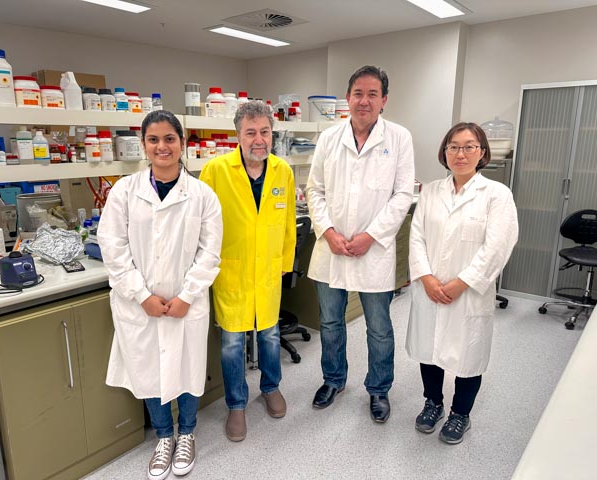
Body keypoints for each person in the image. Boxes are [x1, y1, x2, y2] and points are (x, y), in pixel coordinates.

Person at [97, 110, 222, 479]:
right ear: (144, 145)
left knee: (186, 367)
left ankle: (186, 433)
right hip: (140, 304)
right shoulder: (124, 191)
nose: (162, 146)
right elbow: (112, 247)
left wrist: (187, 295)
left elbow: (210, 251)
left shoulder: (202, 195)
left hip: (187, 303)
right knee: (149, 369)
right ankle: (163, 436)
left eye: (170, 138)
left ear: (182, 144)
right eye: (154, 140)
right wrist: (141, 295)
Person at [306, 65, 415, 421]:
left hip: (374, 250)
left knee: (379, 327)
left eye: (372, 94)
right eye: (357, 94)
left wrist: (371, 236)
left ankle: (379, 388)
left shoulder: (399, 138)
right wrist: (328, 232)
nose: (364, 101)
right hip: (332, 248)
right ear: (348, 98)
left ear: (384, 100)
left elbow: (402, 196)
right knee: (330, 321)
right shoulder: (329, 138)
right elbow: (315, 190)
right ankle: (333, 379)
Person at [406, 122, 518, 444]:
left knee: (469, 356)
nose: (461, 153)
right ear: (445, 152)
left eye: (469, 146)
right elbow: (417, 237)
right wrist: (426, 277)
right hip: (430, 289)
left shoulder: (496, 195)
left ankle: (460, 413)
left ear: (482, 152)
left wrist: (461, 283)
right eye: (453, 146)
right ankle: (433, 403)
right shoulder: (431, 191)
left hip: (468, 294)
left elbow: (498, 246)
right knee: (429, 350)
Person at [199, 100, 296, 442]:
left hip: (268, 271)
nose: (259, 139)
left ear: (273, 133)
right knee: (232, 342)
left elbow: (287, 225)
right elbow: (204, 224)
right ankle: (236, 404)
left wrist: (285, 265)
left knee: (269, 335)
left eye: (265, 132)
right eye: (251, 132)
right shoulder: (216, 170)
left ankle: (271, 387)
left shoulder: (282, 170)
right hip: (232, 270)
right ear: (237, 135)